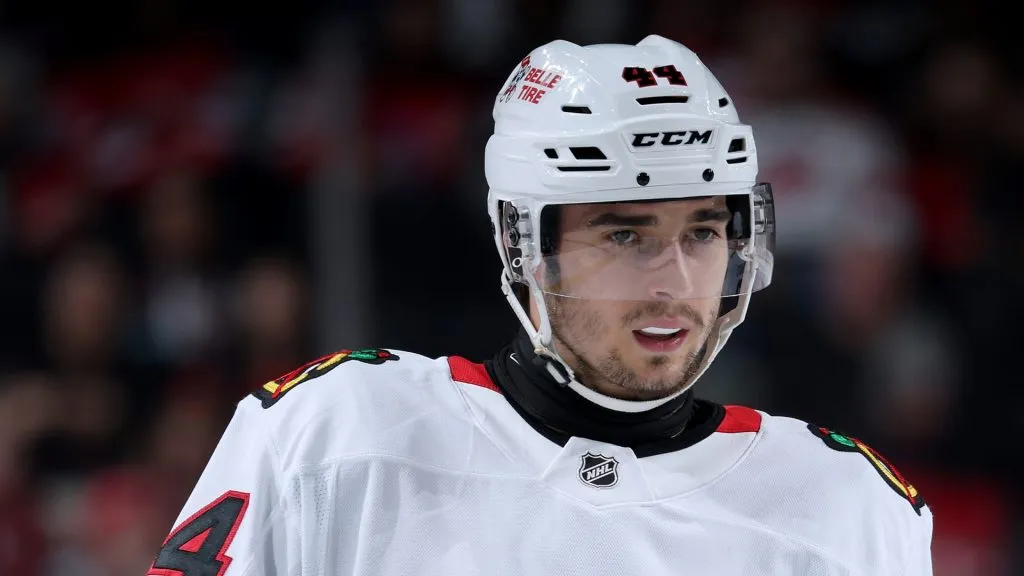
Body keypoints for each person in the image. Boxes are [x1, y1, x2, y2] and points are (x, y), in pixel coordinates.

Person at [147, 35, 933, 576]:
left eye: (701, 231)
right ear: (519, 241)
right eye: (625, 236)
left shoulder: (846, 510)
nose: (672, 282)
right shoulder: (337, 435)